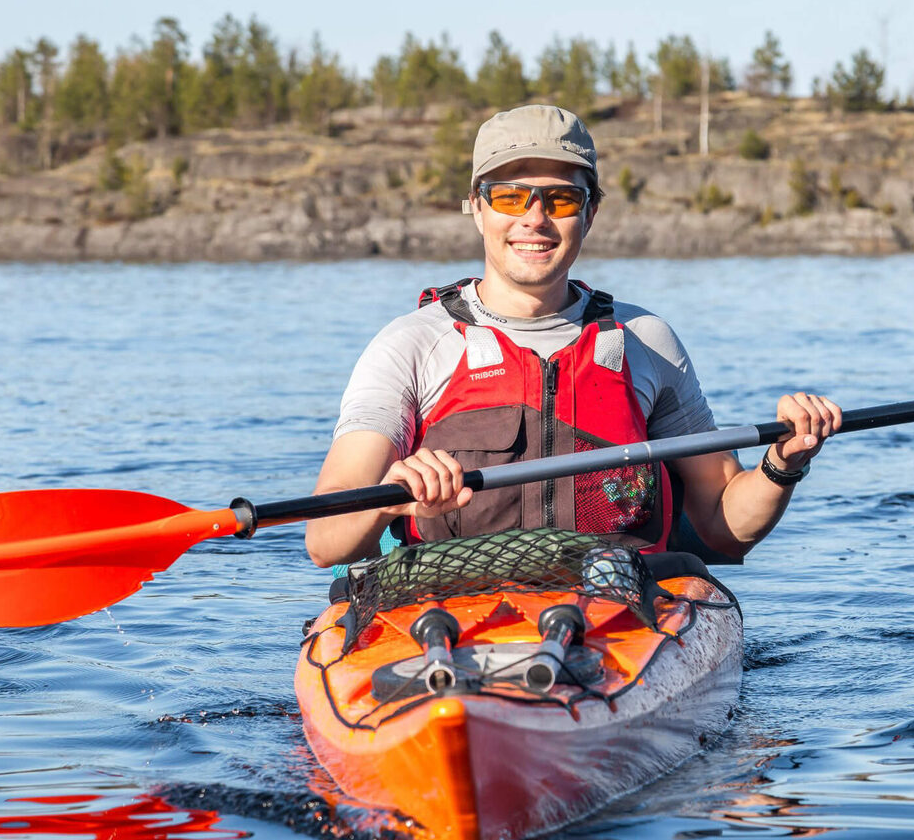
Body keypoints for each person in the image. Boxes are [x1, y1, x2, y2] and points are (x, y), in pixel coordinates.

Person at [304, 105, 840, 569]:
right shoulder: (411, 345)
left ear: (591, 212)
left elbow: (725, 526)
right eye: (511, 198)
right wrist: (387, 500)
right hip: (450, 619)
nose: (534, 219)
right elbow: (326, 542)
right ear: (476, 207)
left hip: (623, 618)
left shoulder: (646, 341)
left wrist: (782, 463)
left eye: (560, 199)